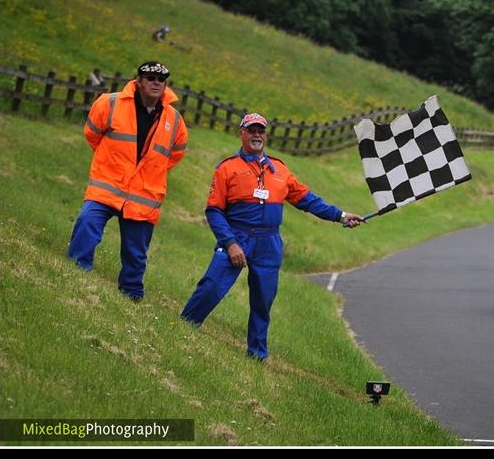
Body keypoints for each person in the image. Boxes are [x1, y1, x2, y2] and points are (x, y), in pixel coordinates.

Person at [181, 112, 364, 360]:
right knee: (212, 286)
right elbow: (214, 211)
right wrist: (231, 243)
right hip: (237, 236)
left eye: (261, 131)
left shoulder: (280, 170)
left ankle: (257, 354)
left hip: (269, 242)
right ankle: (183, 328)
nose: (256, 135)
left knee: (263, 300)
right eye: (251, 130)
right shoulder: (227, 168)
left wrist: (340, 215)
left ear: (265, 135)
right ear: (241, 133)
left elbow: (308, 201)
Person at [67, 61, 188, 301]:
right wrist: (111, 162)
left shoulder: (174, 120)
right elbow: (92, 134)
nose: (156, 83)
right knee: (87, 223)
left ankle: (131, 294)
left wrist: (147, 173)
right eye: (151, 77)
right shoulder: (109, 103)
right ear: (139, 81)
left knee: (136, 254)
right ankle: (75, 271)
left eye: (161, 80)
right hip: (108, 186)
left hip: (144, 196)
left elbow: (174, 155)